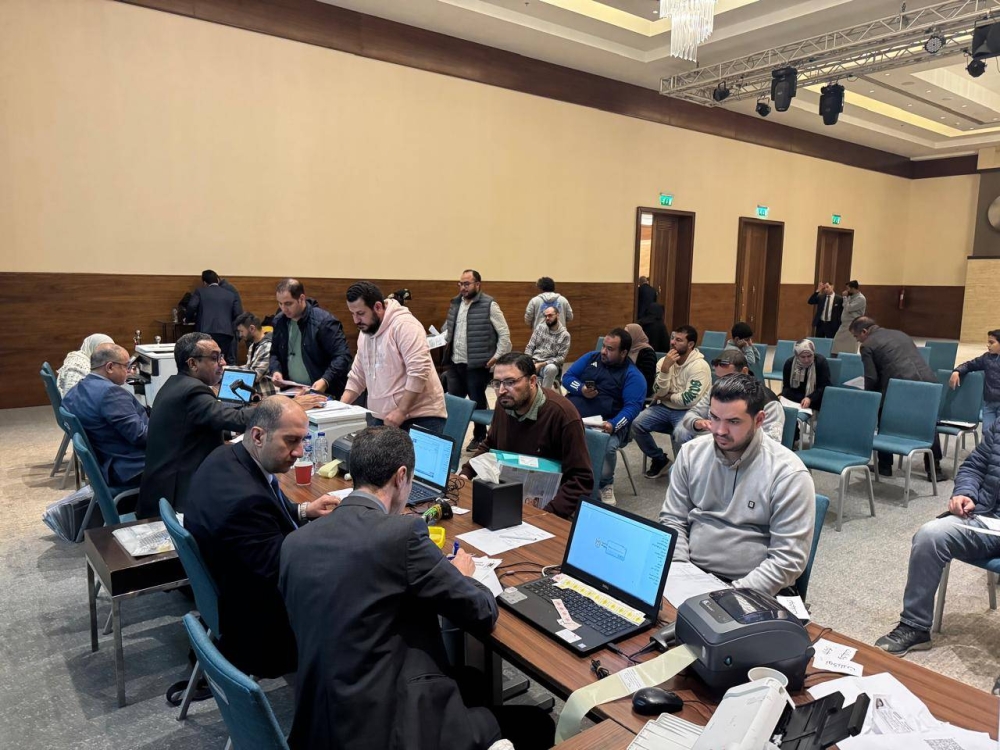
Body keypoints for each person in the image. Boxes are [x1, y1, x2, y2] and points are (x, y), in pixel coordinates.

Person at [280, 426, 555, 750]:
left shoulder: (294, 543)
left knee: (470, 679)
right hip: (386, 730)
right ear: (401, 477)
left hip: (320, 719)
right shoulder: (402, 534)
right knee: (537, 723)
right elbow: (481, 612)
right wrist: (464, 576)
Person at [184, 397, 339, 678]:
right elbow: (286, 573)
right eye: (291, 441)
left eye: (303, 441)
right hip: (265, 628)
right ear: (258, 436)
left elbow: (267, 517)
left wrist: (303, 510)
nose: (299, 452)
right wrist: (343, 542)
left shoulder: (225, 457)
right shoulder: (245, 502)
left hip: (231, 590)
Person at [659, 374, 816, 596]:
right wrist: (678, 572)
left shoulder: (788, 473)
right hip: (691, 574)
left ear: (759, 420)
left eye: (733, 422)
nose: (719, 430)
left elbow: (787, 560)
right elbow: (673, 520)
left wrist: (729, 597)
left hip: (754, 588)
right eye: (714, 418)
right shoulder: (691, 454)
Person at [137, 332, 323, 518]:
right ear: (193, 364)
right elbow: (237, 419)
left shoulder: (176, 384)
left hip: (163, 489)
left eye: (222, 356)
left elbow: (202, 425)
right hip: (176, 498)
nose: (223, 363)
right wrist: (288, 406)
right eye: (215, 358)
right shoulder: (192, 391)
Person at [874, 421, 1000, 668]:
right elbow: (974, 466)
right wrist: (965, 493)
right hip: (986, 518)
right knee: (930, 535)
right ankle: (915, 626)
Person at [461, 352, 593, 518]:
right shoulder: (505, 404)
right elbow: (491, 444)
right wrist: (466, 472)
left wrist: (545, 515)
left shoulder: (563, 415)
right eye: (497, 383)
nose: (501, 390)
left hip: (549, 508)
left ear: (532, 381)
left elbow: (581, 479)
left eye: (510, 382)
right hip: (508, 497)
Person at [341, 280, 447, 432]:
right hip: (383, 416)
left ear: (378, 307)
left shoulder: (405, 325)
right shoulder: (366, 333)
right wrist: (340, 407)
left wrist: (401, 411)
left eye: (361, 313)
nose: (356, 320)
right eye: (352, 314)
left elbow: (418, 371)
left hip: (420, 417)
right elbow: (358, 375)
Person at [850, 316, 944, 480]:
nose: (857, 340)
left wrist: (869, 398)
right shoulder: (900, 334)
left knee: (883, 417)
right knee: (929, 425)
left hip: (902, 386)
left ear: (864, 331)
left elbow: (871, 377)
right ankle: (935, 470)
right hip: (929, 382)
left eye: (856, 336)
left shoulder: (867, 345)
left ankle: (884, 465)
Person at [563, 328, 646, 506]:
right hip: (576, 417)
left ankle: (605, 483)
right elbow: (568, 377)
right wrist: (581, 389)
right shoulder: (590, 358)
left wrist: (614, 424)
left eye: (610, 349)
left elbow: (632, 407)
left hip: (607, 423)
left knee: (607, 447)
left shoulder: (633, 375)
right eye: (603, 346)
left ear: (623, 353)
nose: (603, 351)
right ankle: (564, 476)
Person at [442, 269, 512, 451]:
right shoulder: (455, 303)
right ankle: (451, 437)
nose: (462, 288)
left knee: (477, 401)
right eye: (460, 284)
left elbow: (504, 335)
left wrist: (496, 358)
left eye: (467, 284)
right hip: (455, 362)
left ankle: (480, 437)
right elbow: (449, 329)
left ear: (478, 285)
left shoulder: (489, 305)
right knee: (454, 402)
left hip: (477, 364)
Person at [63, 343, 148, 488]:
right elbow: (140, 436)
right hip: (133, 467)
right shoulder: (111, 394)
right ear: (110, 367)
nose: (129, 371)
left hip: (108, 464)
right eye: (126, 366)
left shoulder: (75, 392)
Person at [633, 325, 712, 480]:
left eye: (679, 340)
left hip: (690, 411)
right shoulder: (664, 362)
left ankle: (683, 473)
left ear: (690, 344)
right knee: (636, 424)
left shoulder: (700, 366)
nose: (673, 342)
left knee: (681, 433)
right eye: (673, 338)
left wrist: (668, 396)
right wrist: (665, 370)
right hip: (664, 408)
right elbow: (659, 392)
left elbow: (689, 399)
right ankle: (660, 460)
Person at [674, 350, 784, 446]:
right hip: (713, 443)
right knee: (681, 431)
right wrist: (697, 422)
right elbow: (692, 414)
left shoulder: (769, 403)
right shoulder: (716, 390)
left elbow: (771, 444)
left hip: (746, 454)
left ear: (744, 372)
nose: (722, 383)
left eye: (728, 378)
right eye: (719, 378)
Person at [270, 278, 353, 397]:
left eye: (288, 303)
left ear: (301, 298)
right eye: (280, 303)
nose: (283, 309)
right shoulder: (279, 321)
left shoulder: (324, 322)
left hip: (322, 393)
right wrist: (276, 370)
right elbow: (274, 353)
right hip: (293, 392)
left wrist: (325, 380)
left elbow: (342, 356)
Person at [187, 270, 242, 365]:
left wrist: (188, 319)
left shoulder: (200, 292)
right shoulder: (230, 294)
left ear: (204, 283)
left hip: (206, 332)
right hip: (226, 333)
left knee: (206, 360)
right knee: (224, 360)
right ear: (217, 280)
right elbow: (238, 312)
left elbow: (192, 306)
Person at [950, 330, 1000, 433]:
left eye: (991, 342)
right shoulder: (986, 358)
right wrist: (957, 371)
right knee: (987, 433)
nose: (988, 345)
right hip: (989, 404)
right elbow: (969, 365)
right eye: (988, 342)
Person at [524, 304, 571, 390]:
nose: (547, 318)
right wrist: (529, 361)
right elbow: (530, 347)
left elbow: (561, 358)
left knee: (551, 369)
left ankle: (544, 395)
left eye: (550, 315)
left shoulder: (565, 335)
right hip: (534, 361)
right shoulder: (540, 328)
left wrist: (541, 364)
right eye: (546, 316)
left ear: (557, 315)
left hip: (548, 365)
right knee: (518, 364)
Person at [781, 339, 831, 410]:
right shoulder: (789, 363)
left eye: (809, 356)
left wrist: (810, 398)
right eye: (803, 357)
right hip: (795, 399)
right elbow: (786, 386)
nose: (806, 360)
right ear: (797, 356)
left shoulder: (820, 362)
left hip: (815, 398)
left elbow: (824, 386)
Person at [234, 311, 274, 395]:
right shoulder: (252, 346)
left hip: (265, 396)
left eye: (241, 331)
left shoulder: (267, 346)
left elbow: (254, 376)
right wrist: (227, 369)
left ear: (252, 328)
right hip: (255, 393)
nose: (240, 335)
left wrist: (229, 373)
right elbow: (248, 368)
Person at [832, 280, 866, 355]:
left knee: (850, 347)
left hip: (853, 325)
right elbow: (844, 305)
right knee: (837, 342)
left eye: (848, 288)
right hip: (844, 325)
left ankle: (849, 358)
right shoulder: (850, 297)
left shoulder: (861, 298)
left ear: (853, 288)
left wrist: (844, 297)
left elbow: (848, 308)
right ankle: (836, 356)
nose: (846, 291)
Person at [625, 323, 658, 396]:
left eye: (627, 334)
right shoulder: (627, 349)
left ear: (635, 335)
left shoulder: (648, 352)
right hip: (626, 385)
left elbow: (646, 377)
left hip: (641, 388)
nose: (625, 338)